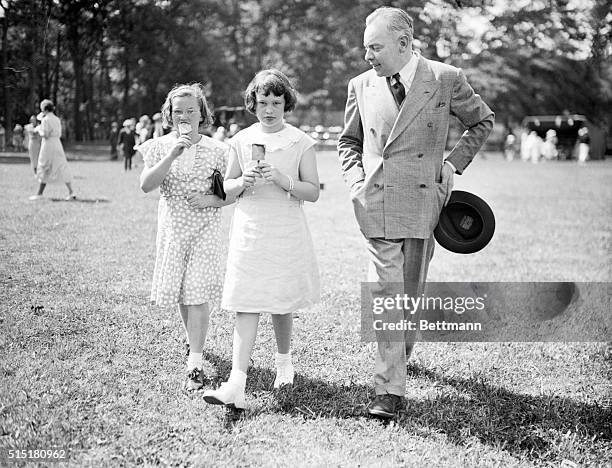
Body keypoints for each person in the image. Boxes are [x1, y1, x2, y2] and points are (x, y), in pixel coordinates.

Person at [337, 7, 494, 419]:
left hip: (426, 200)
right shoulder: (360, 85)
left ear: (404, 44)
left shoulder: (445, 78)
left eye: (375, 47)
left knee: (409, 292)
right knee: (387, 295)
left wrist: (453, 164)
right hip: (377, 200)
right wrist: (356, 184)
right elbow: (348, 143)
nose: (367, 55)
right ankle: (389, 388)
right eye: (366, 47)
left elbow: (481, 121)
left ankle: (400, 356)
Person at [203, 69, 320, 410]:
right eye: (263, 101)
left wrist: (284, 179)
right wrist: (243, 181)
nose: (269, 109)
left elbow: (312, 192)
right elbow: (224, 190)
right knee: (247, 299)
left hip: (285, 228)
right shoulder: (240, 140)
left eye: (276, 101)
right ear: (252, 103)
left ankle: (284, 362)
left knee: (281, 301)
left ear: (287, 103)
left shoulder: (300, 141)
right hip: (250, 227)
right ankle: (236, 382)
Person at [138, 83, 234, 392]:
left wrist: (210, 200)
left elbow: (231, 192)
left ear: (201, 114)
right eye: (178, 111)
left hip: (205, 229)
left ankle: (194, 362)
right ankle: (195, 344)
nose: (184, 116)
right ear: (169, 114)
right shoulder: (157, 146)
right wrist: (172, 153)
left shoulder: (219, 150)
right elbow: (146, 185)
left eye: (191, 110)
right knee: (181, 292)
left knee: (196, 292)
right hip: (174, 230)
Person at [29, 100, 75, 201]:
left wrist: (38, 130)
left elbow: (45, 134)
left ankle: (39, 194)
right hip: (57, 144)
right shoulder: (57, 119)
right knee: (62, 166)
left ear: (45, 109)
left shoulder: (46, 120)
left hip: (48, 145)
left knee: (45, 166)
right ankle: (71, 192)